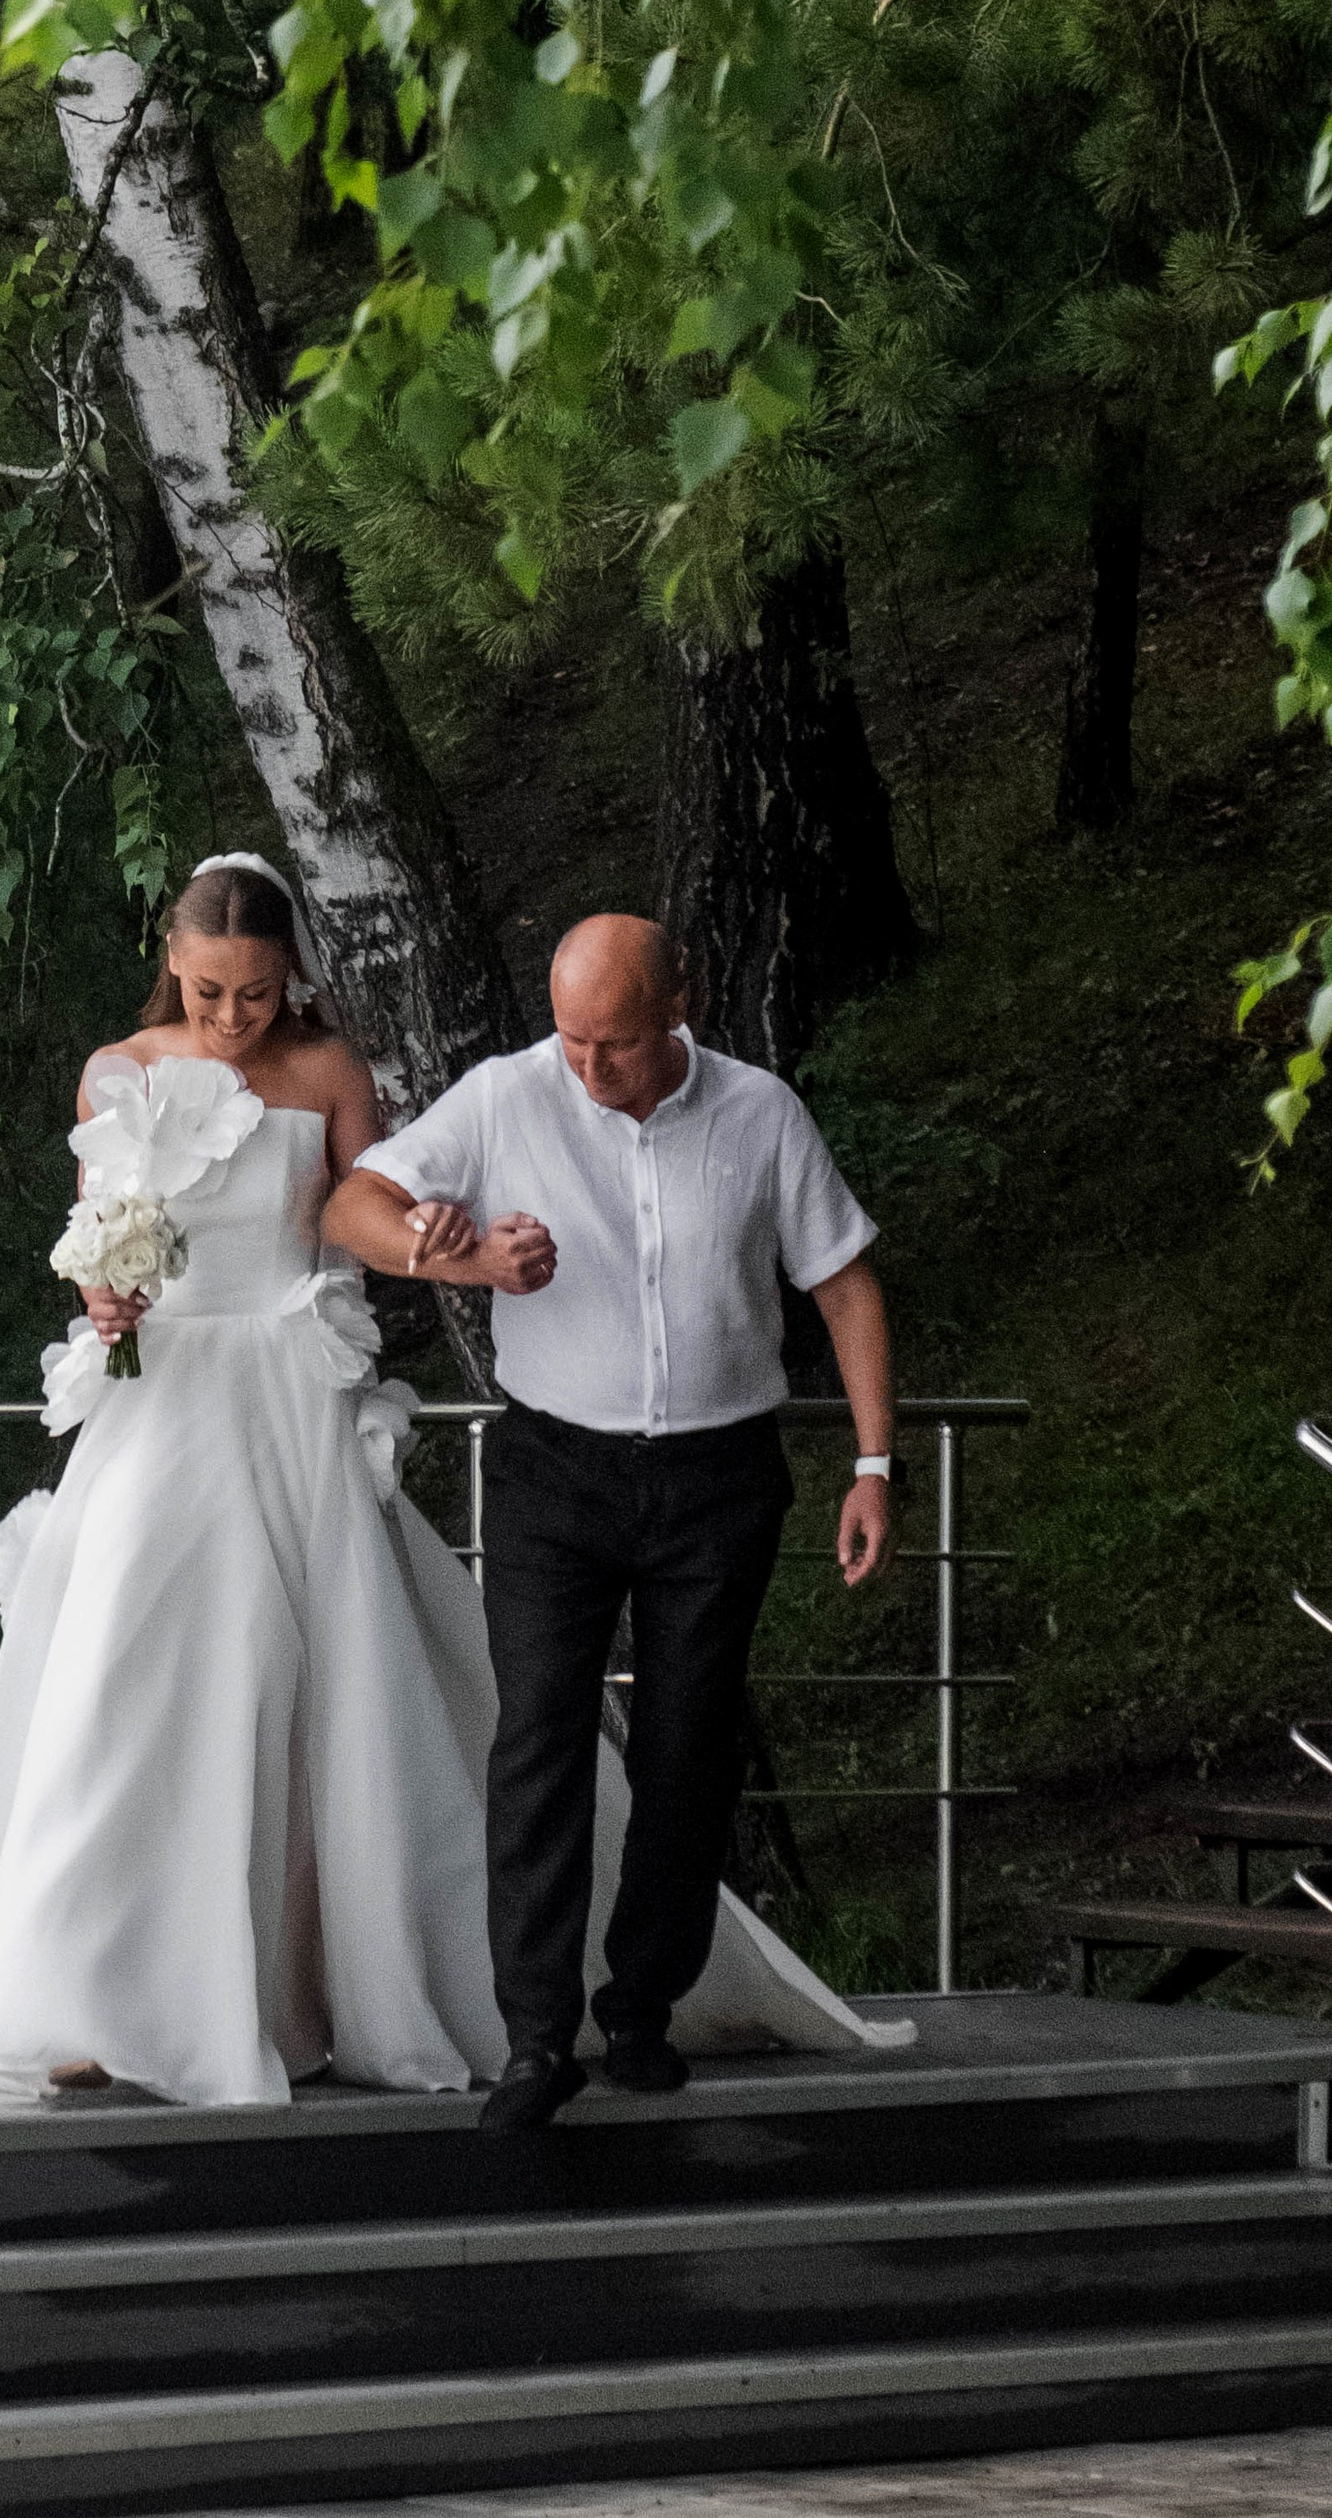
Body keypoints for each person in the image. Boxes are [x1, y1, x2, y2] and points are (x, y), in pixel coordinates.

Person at [0, 854, 506, 2109]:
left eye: (262, 994)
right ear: (173, 958)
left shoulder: (331, 1074)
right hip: (160, 1387)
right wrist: (99, 1293)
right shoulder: (116, 1070)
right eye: (216, 991)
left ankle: (307, 1989)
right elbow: (94, 1232)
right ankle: (81, 1996)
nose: (236, 1020)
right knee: (117, 1672)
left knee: (318, 1682)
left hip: (284, 1388)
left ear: (293, 979)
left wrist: (443, 1251)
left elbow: (360, 1212)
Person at [323, 912, 895, 2136]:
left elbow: (843, 1284)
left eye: (618, 1044)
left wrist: (875, 1464)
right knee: (535, 1738)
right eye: (573, 1037)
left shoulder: (760, 1113)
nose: (588, 1068)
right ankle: (536, 2038)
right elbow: (353, 1208)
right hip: (552, 1473)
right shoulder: (503, 1097)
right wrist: (453, 1262)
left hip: (719, 1474)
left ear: (678, 1006)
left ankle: (641, 2008)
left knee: (691, 1747)